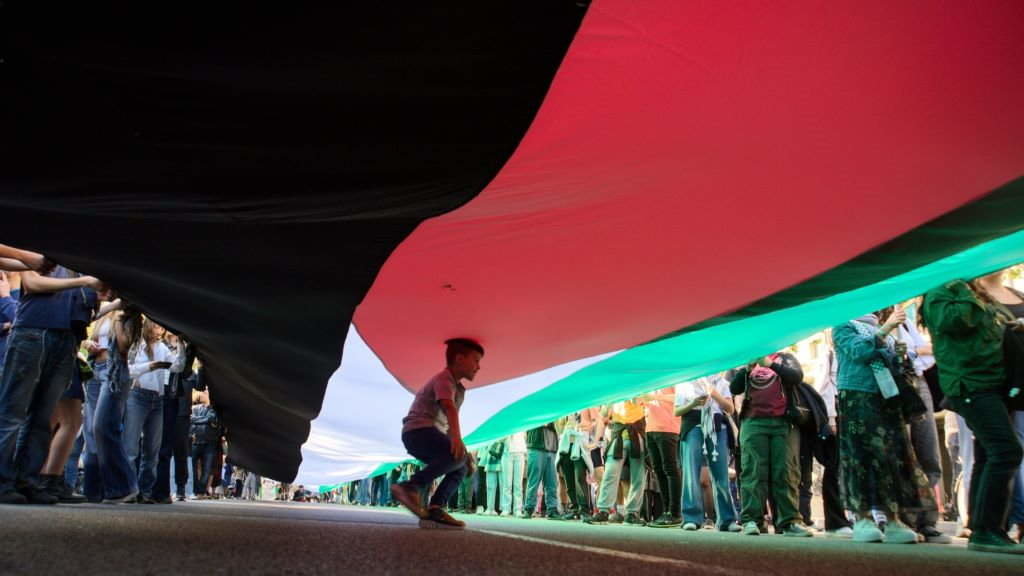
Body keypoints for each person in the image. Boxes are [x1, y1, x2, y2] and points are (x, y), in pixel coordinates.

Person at [924, 277, 1024, 554]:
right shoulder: (941, 292)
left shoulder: (975, 292)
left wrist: (1011, 326)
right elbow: (956, 322)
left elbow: (991, 326)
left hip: (992, 383)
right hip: (970, 385)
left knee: (987, 455)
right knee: (1006, 452)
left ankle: (985, 529)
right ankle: (988, 529)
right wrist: (961, 287)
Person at [0, 263, 102, 505]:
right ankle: (3, 482)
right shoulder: (43, 249)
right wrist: (84, 281)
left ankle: (28, 481)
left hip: (67, 337)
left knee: (42, 418)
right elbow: (33, 283)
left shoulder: (79, 265)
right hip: (33, 331)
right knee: (13, 413)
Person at [390, 338, 483, 529]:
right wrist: (457, 441)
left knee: (461, 465)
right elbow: (449, 409)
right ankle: (410, 487)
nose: (478, 367)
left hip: (426, 433)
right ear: (459, 358)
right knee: (458, 458)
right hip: (418, 432)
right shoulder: (444, 379)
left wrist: (462, 450)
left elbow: (448, 425)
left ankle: (436, 508)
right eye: (475, 360)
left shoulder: (458, 388)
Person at [729, 356, 811, 537]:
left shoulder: (785, 358)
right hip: (752, 422)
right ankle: (752, 520)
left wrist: (771, 364)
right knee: (753, 471)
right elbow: (734, 388)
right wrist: (746, 369)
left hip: (783, 423)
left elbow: (796, 377)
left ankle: (789, 522)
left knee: (786, 472)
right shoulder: (745, 358)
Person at [123, 318, 186, 503]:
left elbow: (178, 366)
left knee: (152, 450)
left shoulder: (162, 347)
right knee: (131, 447)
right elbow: (129, 369)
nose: (160, 330)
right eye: (157, 326)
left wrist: (181, 345)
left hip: (157, 399)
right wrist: (150, 366)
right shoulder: (137, 345)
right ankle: (128, 489)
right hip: (137, 395)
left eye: (161, 326)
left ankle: (146, 492)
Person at [676, 375, 741, 532]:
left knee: (721, 474)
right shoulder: (684, 383)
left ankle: (727, 519)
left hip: (717, 425)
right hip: (693, 424)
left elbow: (730, 408)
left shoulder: (722, 382)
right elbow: (676, 411)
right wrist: (693, 403)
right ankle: (691, 517)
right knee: (691, 473)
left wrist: (714, 394)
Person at [586, 399, 647, 526]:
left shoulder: (641, 391)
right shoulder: (614, 396)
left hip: (638, 437)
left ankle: (632, 513)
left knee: (638, 477)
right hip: (618, 438)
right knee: (610, 475)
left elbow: (650, 411)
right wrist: (596, 441)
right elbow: (602, 419)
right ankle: (603, 511)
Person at [643, 386, 682, 528]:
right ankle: (666, 511)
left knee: (670, 469)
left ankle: (675, 513)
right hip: (650, 429)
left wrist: (655, 397)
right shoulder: (649, 380)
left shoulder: (671, 377)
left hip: (668, 428)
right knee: (658, 471)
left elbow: (680, 397)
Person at [522, 421, 560, 519]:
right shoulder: (532, 409)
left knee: (551, 482)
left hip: (551, 448)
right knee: (533, 480)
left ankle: (552, 509)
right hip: (536, 446)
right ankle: (529, 508)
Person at [190, 390, 221, 499]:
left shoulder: (213, 409)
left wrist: (197, 420)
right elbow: (191, 420)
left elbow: (211, 419)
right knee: (194, 468)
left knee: (207, 469)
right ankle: (196, 490)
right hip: (195, 441)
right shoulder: (193, 409)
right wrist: (205, 420)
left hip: (209, 442)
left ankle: (201, 491)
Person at [499, 431, 527, 517]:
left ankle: (518, 509)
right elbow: (500, 438)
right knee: (507, 483)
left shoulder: (522, 424)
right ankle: (506, 508)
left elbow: (525, 436)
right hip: (507, 453)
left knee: (518, 484)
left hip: (520, 452)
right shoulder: (506, 423)